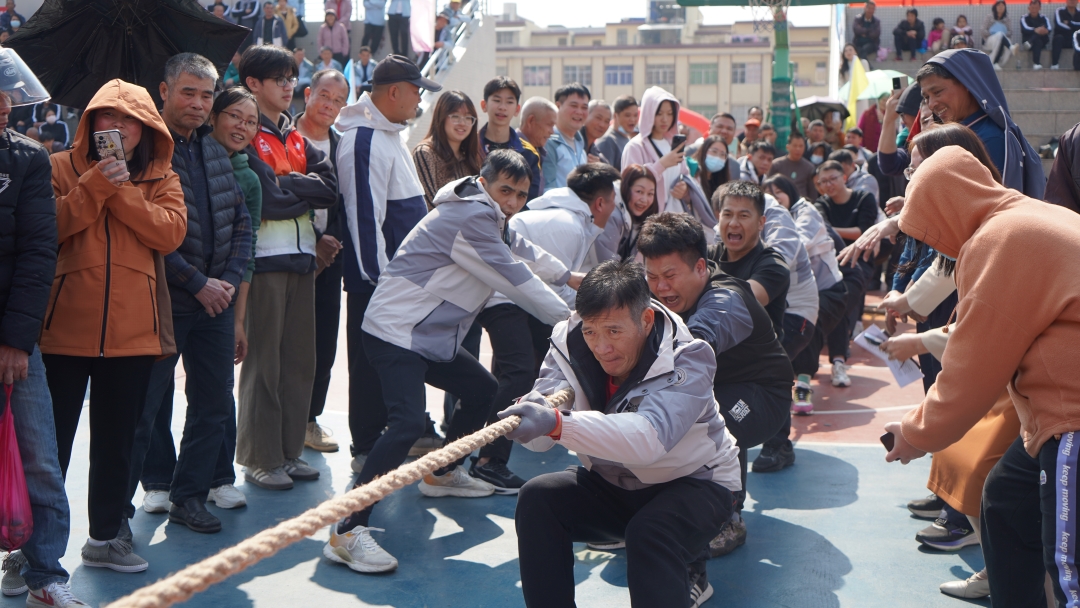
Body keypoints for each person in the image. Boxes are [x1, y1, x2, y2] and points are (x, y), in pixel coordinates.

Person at [325, 150, 575, 574]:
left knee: (481, 391)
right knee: (406, 422)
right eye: (505, 191)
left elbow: (522, 247)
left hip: (426, 334)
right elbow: (516, 278)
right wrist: (574, 322)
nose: (512, 202)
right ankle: (347, 529)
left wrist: (570, 277)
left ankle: (441, 473)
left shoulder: (489, 214)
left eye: (520, 194)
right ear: (484, 181)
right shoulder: (471, 217)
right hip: (396, 330)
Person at [881, 144, 1080, 608]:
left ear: (944, 208)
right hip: (1055, 419)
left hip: (1072, 420)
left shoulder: (999, 240)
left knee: (1071, 575)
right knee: (1008, 498)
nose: (933, 242)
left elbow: (973, 368)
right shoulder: (1029, 218)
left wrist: (916, 433)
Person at [508, 258, 741, 607]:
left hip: (697, 484)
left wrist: (558, 423)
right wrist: (532, 420)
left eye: (614, 331)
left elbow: (650, 440)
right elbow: (541, 443)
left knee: (651, 532)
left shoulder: (689, 357)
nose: (601, 347)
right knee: (538, 498)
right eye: (591, 331)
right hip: (615, 481)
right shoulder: (568, 343)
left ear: (645, 320)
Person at [45, 78, 187, 573]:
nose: (117, 126)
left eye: (129, 120)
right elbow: (52, 227)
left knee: (118, 443)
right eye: (107, 116)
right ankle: (33, 551)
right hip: (61, 332)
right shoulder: (59, 167)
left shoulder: (163, 176)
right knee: (48, 448)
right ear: (90, 122)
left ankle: (105, 539)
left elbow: (169, 234)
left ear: (146, 129)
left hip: (133, 336)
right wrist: (95, 184)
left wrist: (120, 189)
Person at [124, 54, 252, 536]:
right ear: (164, 90)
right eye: (189, 93)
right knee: (144, 409)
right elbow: (142, 233)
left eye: (206, 95)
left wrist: (229, 279)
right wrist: (197, 283)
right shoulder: (144, 151)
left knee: (213, 404)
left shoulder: (213, 150)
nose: (199, 104)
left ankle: (189, 497)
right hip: (164, 302)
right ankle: (116, 517)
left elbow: (241, 223)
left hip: (215, 302)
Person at [639, 210, 792, 560]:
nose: (660, 287)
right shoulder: (655, 287)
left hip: (762, 395)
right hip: (713, 387)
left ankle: (727, 516)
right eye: (651, 276)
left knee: (705, 424)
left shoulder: (726, 300)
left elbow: (694, 345)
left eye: (670, 276)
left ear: (701, 268)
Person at [0, 57, 92, 605]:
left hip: (15, 337)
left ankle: (45, 576)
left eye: (6, 93)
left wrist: (15, 340)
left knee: (39, 453)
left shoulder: (28, 158)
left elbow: (38, 253)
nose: (5, 101)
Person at [472, 163, 620, 492]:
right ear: (599, 203)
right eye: (614, 201)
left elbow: (554, 275)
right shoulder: (568, 224)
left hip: (522, 298)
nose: (614, 209)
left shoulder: (565, 215)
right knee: (520, 370)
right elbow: (556, 286)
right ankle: (488, 461)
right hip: (504, 297)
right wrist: (584, 319)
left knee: (543, 361)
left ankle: (535, 432)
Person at [237, 44, 338, 490]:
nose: (287, 86)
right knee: (265, 364)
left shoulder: (294, 135)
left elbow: (330, 188)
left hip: (302, 261)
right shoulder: (243, 132)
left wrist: (287, 183)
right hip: (263, 262)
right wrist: (301, 188)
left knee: (300, 362)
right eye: (278, 78)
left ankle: (289, 450)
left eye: (290, 78)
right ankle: (261, 458)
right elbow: (268, 199)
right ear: (252, 84)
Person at [335, 54, 441, 472]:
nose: (420, 100)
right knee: (367, 367)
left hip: (398, 283)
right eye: (416, 91)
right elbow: (364, 221)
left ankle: (388, 437)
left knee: (388, 365)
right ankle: (365, 448)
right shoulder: (363, 139)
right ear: (394, 92)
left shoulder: (389, 134)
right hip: (378, 284)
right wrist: (379, 284)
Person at [294, 70, 349, 453]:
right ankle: (284, 423)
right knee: (286, 346)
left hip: (330, 260)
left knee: (324, 344)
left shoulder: (342, 144)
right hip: (288, 254)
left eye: (338, 101)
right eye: (324, 96)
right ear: (309, 93)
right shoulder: (284, 137)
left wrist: (330, 247)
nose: (329, 105)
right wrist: (312, 241)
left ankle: (309, 420)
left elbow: (349, 202)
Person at [206, 90, 262, 466]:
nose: (242, 127)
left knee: (217, 392)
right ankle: (158, 480)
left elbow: (247, 255)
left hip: (223, 296)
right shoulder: (180, 159)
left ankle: (219, 476)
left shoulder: (249, 180)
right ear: (214, 116)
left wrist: (238, 320)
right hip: (178, 291)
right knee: (155, 392)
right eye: (234, 116)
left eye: (251, 121)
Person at [762, 174, 845, 417]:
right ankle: (793, 384)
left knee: (807, 327)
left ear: (790, 190)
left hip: (829, 289)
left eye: (778, 192)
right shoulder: (772, 219)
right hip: (795, 294)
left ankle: (803, 387)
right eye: (769, 194)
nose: (775, 199)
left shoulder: (805, 211)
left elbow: (795, 244)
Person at [917, 49, 1045, 197]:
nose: (931, 104)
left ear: (967, 84)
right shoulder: (961, 133)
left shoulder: (990, 139)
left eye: (937, 92)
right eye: (926, 97)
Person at [812, 160, 876, 388]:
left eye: (833, 179)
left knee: (837, 303)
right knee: (835, 304)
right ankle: (837, 360)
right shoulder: (821, 204)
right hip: (830, 267)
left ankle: (834, 361)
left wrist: (832, 232)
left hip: (859, 264)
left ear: (844, 177)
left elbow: (863, 231)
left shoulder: (863, 198)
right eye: (823, 181)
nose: (829, 185)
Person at [621, 86, 689, 214]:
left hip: (674, 218)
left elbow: (686, 175)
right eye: (659, 113)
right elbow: (630, 183)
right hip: (647, 219)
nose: (665, 119)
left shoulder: (672, 144)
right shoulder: (635, 146)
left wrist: (685, 189)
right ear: (648, 113)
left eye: (670, 114)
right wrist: (662, 165)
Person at [412, 90, 482, 207]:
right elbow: (429, 204)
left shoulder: (470, 158)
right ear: (441, 117)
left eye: (468, 117)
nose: (462, 123)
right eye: (455, 116)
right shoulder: (425, 153)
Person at [478, 77, 542, 201]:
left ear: (517, 109)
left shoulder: (528, 153)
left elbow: (529, 199)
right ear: (484, 105)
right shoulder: (468, 146)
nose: (502, 107)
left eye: (509, 102)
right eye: (497, 100)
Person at [544, 82, 590, 190]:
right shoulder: (549, 142)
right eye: (574, 106)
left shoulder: (580, 144)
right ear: (558, 106)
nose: (579, 112)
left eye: (584, 107)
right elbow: (547, 189)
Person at [615, 164, 658, 261]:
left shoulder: (642, 222)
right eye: (639, 191)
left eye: (650, 194)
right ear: (625, 188)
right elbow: (605, 262)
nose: (644, 200)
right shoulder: (613, 216)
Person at [518, 96, 558, 195]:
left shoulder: (537, 150)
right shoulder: (517, 151)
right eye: (550, 125)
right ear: (530, 121)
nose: (552, 132)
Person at [594, 95, 637, 172]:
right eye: (627, 115)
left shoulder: (627, 138)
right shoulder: (608, 140)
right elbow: (606, 174)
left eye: (635, 115)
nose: (633, 119)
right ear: (615, 116)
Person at [768, 130, 816, 199]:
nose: (798, 149)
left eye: (801, 146)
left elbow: (812, 193)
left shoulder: (809, 167)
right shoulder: (776, 165)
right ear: (788, 147)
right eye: (795, 146)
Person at [694, 135, 730, 203]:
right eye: (714, 151)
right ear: (704, 151)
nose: (718, 157)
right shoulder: (692, 175)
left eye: (722, 154)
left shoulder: (721, 182)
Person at [981, 1, 1014, 70]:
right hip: (989, 40)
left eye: (1002, 6)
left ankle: (997, 63)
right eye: (999, 5)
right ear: (995, 7)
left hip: (1002, 39)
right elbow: (983, 30)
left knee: (1002, 37)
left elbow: (1010, 32)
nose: (1000, 7)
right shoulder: (989, 17)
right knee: (999, 35)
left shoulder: (1007, 18)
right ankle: (1010, 48)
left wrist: (1002, 34)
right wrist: (993, 33)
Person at [1021, 0, 1052, 70]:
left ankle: (1029, 42)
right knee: (1037, 40)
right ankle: (1036, 63)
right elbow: (1025, 29)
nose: (1034, 10)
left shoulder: (1044, 18)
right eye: (1032, 8)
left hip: (1040, 41)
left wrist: (1043, 30)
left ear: (1040, 8)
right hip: (1029, 40)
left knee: (1038, 39)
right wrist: (1036, 30)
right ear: (1029, 8)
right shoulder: (1024, 17)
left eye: (1036, 8)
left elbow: (1049, 29)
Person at [1051, 0, 1080, 70]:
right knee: (1058, 38)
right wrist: (1075, 28)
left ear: (1077, 2)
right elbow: (1059, 25)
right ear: (1066, 1)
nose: (1072, 1)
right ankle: (1054, 64)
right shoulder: (1059, 11)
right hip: (1064, 38)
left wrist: (1070, 23)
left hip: (1075, 40)